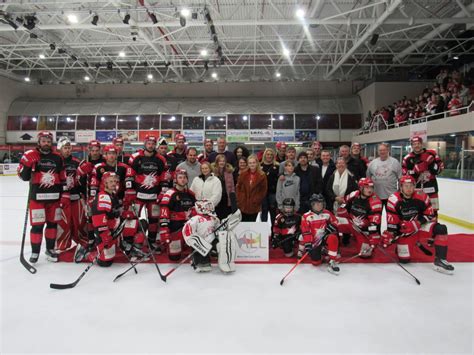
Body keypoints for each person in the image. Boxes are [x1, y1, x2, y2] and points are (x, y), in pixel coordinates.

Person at [383, 176, 454, 274]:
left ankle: (440, 260)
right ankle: (402, 245)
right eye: (406, 186)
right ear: (401, 187)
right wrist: (391, 234)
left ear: (414, 186)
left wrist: (417, 223)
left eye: (411, 186)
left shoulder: (422, 196)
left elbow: (430, 215)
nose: (409, 188)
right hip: (405, 231)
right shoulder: (393, 199)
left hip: (420, 227)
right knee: (404, 260)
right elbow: (392, 222)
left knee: (441, 229)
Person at [17, 131, 65, 263]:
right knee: (37, 226)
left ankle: (50, 250)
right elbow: (23, 177)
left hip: (54, 198)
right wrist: (27, 166)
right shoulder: (30, 155)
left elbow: (62, 177)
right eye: (44, 141)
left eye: (49, 141)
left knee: (52, 225)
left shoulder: (57, 157)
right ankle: (35, 252)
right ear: (39, 142)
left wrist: (63, 193)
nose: (46, 143)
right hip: (37, 199)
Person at [127, 135, 167, 250]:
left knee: (154, 220)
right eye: (148, 143)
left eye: (153, 143)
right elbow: (129, 175)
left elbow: (164, 178)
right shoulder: (135, 157)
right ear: (145, 144)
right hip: (138, 195)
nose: (150, 145)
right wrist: (130, 191)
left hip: (154, 196)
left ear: (155, 145)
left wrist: (162, 193)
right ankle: (130, 241)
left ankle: (152, 241)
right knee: (132, 218)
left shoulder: (161, 159)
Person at [183, 201, 241, 273]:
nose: (210, 208)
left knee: (221, 245)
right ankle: (198, 262)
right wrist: (194, 242)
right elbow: (188, 232)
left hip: (212, 240)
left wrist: (228, 221)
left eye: (210, 206)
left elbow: (219, 228)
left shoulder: (214, 219)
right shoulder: (195, 219)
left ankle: (226, 262)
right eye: (208, 206)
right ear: (201, 208)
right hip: (201, 242)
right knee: (203, 263)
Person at [336, 178, 382, 257]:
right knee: (334, 222)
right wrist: (343, 211)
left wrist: (373, 235)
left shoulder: (375, 201)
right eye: (367, 187)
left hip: (363, 231)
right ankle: (336, 246)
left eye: (371, 187)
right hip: (351, 224)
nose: (370, 190)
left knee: (365, 254)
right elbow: (344, 202)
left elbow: (374, 222)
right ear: (361, 188)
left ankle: (360, 239)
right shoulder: (354, 194)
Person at [160, 169, 196, 260]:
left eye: (184, 177)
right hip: (175, 227)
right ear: (175, 179)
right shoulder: (169, 193)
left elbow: (195, 210)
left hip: (189, 226)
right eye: (180, 177)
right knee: (174, 257)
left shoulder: (191, 194)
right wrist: (165, 230)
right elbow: (163, 212)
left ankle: (187, 244)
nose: (183, 180)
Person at [87, 172, 122, 266]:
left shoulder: (112, 195)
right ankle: (87, 253)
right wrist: (104, 235)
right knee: (105, 263)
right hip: (104, 232)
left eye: (115, 181)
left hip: (112, 229)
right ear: (104, 183)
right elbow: (98, 220)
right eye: (110, 181)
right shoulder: (104, 197)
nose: (114, 183)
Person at [54, 137, 83, 252]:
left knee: (79, 222)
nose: (67, 150)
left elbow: (81, 180)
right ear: (59, 148)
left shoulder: (76, 162)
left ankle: (82, 243)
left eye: (69, 148)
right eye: (65, 148)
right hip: (60, 198)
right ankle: (62, 245)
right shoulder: (56, 161)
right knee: (63, 223)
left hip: (75, 197)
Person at [299, 194, 340, 275]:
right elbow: (306, 232)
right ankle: (322, 252)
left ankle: (332, 260)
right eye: (316, 204)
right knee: (316, 263)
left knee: (333, 237)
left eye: (320, 204)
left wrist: (332, 226)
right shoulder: (306, 216)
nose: (318, 206)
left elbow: (335, 221)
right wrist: (308, 243)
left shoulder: (327, 213)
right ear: (311, 205)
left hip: (324, 238)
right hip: (314, 241)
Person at [402, 136, 443, 212]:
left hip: (431, 189)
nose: (416, 145)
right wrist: (414, 172)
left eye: (418, 143)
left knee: (433, 212)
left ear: (422, 144)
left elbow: (439, 170)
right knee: (416, 212)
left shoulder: (432, 153)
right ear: (411, 146)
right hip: (415, 190)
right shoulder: (407, 158)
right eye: (414, 144)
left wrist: (431, 164)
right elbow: (405, 176)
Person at [236, 154, 268, 221]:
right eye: (250, 163)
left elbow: (263, 190)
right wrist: (240, 199)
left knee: (251, 223)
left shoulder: (262, 175)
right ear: (248, 164)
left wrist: (257, 199)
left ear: (257, 163)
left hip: (254, 204)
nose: (252, 164)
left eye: (253, 162)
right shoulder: (243, 174)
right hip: (243, 204)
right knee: (242, 223)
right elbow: (238, 187)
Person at [213, 154, 236, 220]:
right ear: (217, 162)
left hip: (226, 198)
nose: (222, 163)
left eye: (223, 161)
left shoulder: (229, 172)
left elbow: (232, 187)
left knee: (226, 218)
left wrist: (233, 202)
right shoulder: (213, 173)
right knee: (217, 217)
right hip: (217, 198)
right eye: (220, 161)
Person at [260, 148, 279, 222]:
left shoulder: (277, 166)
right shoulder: (259, 165)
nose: (269, 156)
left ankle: (273, 231)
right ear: (265, 155)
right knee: (264, 212)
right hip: (262, 193)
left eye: (271, 154)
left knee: (273, 212)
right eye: (268, 154)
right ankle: (263, 230)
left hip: (273, 192)